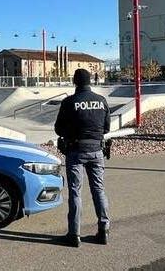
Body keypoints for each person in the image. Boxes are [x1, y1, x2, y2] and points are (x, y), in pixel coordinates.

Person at [54, 68, 110, 248]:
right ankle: (104, 230)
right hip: (97, 150)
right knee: (99, 190)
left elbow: (58, 129)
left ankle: (74, 234)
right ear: (90, 82)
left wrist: (70, 133)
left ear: (75, 82)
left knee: (75, 192)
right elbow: (106, 128)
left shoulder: (69, 102)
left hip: (76, 151)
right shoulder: (101, 101)